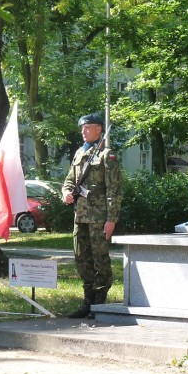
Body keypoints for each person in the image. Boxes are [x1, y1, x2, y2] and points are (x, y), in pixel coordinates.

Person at [62, 113, 122, 319]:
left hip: (99, 217)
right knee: (81, 258)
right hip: (80, 216)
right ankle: (87, 301)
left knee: (100, 260)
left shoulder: (107, 155)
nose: (83, 131)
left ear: (98, 130)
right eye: (82, 128)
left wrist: (111, 219)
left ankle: (99, 303)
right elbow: (69, 180)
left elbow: (114, 190)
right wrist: (66, 193)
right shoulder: (80, 153)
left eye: (87, 128)